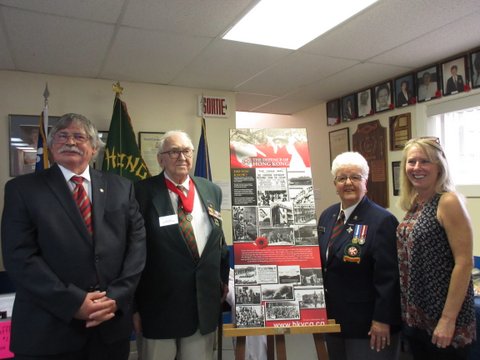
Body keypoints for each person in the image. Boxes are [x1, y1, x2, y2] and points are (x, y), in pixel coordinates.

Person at [1, 113, 147, 359]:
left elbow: (137, 245)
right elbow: (19, 256)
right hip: (48, 329)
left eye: (79, 136)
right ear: (51, 145)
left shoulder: (122, 187)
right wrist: (74, 302)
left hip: (109, 327)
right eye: (62, 136)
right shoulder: (22, 189)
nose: (70, 142)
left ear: (93, 148)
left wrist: (115, 297)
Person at [134, 130, 230, 360]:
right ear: (160, 159)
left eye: (186, 151)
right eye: (173, 151)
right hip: (158, 306)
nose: (182, 157)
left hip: (202, 304)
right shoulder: (141, 192)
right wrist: (134, 305)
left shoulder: (210, 190)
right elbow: (133, 250)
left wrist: (222, 280)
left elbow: (218, 239)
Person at [397, 137, 476, 359]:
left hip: (444, 321)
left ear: (439, 166)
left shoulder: (448, 201)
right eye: (411, 162)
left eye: (425, 161)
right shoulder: (416, 203)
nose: (417, 168)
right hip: (418, 319)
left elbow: (464, 262)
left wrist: (448, 320)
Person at [317, 152, 401, 360]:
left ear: (365, 181)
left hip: (368, 326)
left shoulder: (382, 221)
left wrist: (382, 320)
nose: (348, 183)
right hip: (333, 319)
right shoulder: (327, 216)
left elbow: (389, 278)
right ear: (334, 183)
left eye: (355, 177)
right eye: (341, 178)